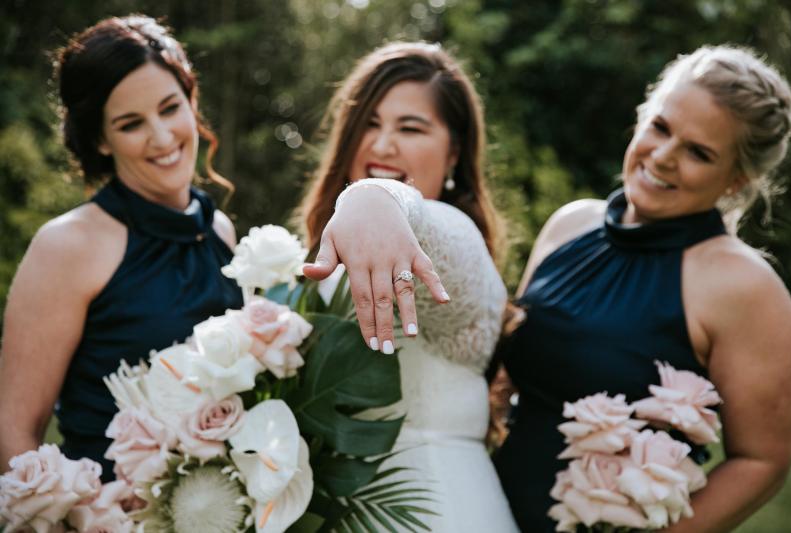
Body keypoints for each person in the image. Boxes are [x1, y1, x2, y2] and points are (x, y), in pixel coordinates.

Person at [491, 45, 791, 531]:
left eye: (698, 152)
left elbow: (762, 461)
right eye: (660, 127)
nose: (663, 156)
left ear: (735, 179)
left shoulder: (746, 287)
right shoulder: (569, 225)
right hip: (481, 500)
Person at [0, 15, 243, 481]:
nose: (162, 137)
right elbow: (14, 431)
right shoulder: (67, 246)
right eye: (131, 124)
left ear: (192, 100)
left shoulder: (221, 232)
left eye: (170, 108)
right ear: (100, 140)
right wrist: (69, 515)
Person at [301, 41, 519, 531]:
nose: (382, 146)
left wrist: (378, 196)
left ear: (455, 151)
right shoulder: (324, 258)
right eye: (370, 125)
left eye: (410, 128)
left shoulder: (452, 235)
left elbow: (424, 222)